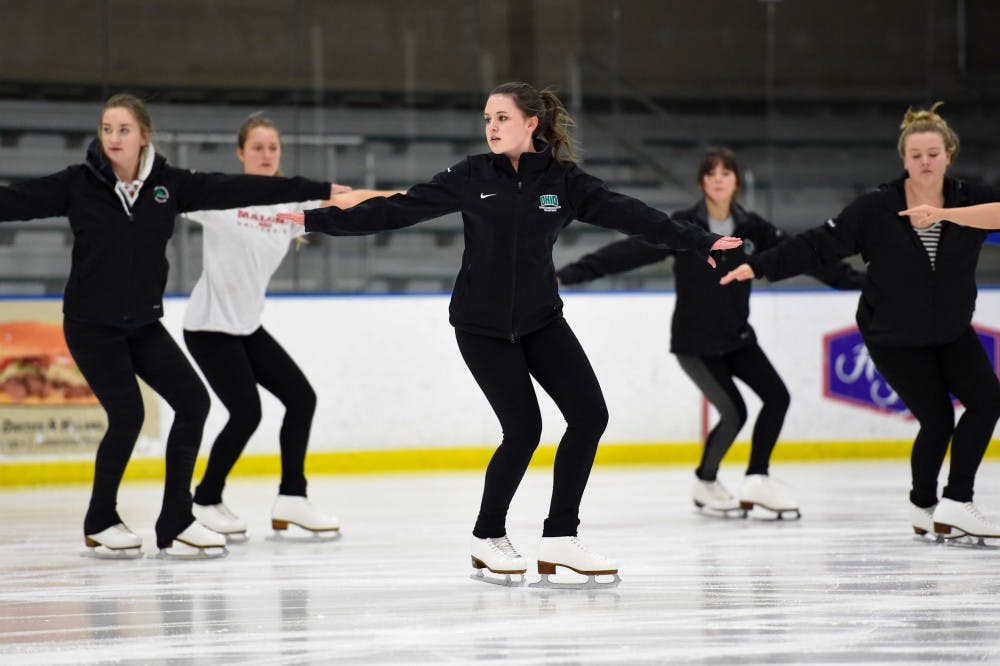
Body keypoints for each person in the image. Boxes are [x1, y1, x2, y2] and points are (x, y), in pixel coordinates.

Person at [276, 81, 742, 587]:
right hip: (481, 327)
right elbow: (395, 209)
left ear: (531, 123)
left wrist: (699, 241)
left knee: (590, 415)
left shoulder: (564, 181)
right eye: (487, 119)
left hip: (541, 320)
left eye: (501, 118)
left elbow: (633, 215)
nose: (492, 127)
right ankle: (487, 536)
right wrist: (312, 220)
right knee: (523, 430)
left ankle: (560, 537)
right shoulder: (471, 174)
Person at [0, 93, 339, 559]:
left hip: (142, 324)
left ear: (143, 136)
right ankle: (100, 520)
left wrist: (324, 187)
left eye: (123, 129)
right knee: (128, 416)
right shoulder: (78, 184)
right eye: (107, 129)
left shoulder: (169, 185)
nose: (114, 138)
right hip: (91, 326)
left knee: (193, 403)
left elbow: (242, 189)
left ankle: (177, 520)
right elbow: (15, 200)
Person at [720, 103, 1000, 542]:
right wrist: (759, 265)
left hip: (950, 329)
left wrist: (944, 216)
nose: (925, 162)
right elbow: (818, 244)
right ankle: (926, 504)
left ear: (949, 155)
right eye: (916, 155)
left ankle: (952, 503)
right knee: (938, 418)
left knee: (987, 401)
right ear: (904, 159)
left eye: (933, 154)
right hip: (892, 335)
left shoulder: (968, 198)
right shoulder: (877, 208)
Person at [557, 148, 865, 520]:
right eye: (711, 173)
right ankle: (705, 482)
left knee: (777, 397)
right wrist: (570, 274)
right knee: (734, 412)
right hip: (695, 343)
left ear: (736, 182)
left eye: (726, 173)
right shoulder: (685, 226)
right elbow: (628, 252)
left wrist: (860, 281)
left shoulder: (754, 229)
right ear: (702, 182)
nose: (718, 179)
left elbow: (799, 256)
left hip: (737, 337)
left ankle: (757, 477)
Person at [182, 114, 403, 541]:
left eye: (273, 148)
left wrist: (414, 197)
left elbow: (349, 200)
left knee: (301, 399)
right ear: (241, 153)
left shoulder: (290, 202)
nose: (266, 155)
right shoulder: (220, 198)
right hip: (208, 328)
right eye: (258, 147)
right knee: (247, 413)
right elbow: (170, 197)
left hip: (246, 327)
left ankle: (291, 498)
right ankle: (204, 500)